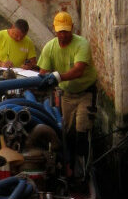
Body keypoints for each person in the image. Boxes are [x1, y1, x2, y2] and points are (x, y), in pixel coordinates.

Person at [37, 11, 98, 142]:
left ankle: (84, 157)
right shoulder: (50, 47)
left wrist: (57, 77)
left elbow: (78, 71)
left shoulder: (82, 44)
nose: (63, 35)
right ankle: (69, 159)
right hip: (67, 94)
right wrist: (48, 84)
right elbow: (43, 72)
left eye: (66, 31)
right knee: (68, 131)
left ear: (72, 28)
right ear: (54, 29)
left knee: (82, 129)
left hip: (85, 92)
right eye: (60, 32)